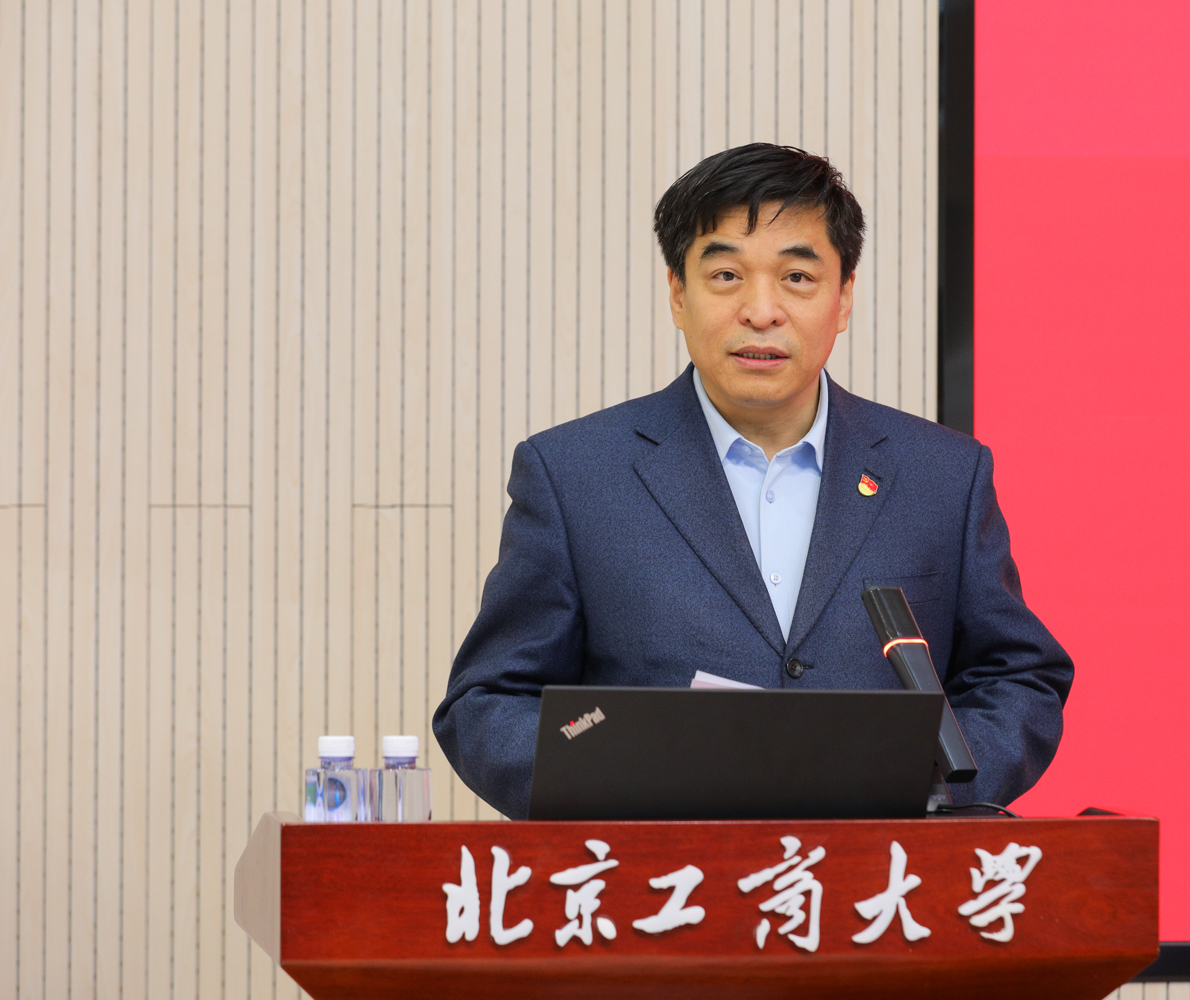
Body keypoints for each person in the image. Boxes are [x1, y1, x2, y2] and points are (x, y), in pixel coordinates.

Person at [433, 143, 1072, 819]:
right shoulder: (575, 475)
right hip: (661, 871)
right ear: (678, 294)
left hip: (882, 869)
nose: (761, 311)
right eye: (726, 275)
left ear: (843, 298)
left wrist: (932, 789)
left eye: (797, 277)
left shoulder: (941, 474)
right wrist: (615, 782)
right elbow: (488, 704)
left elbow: (1018, 679)